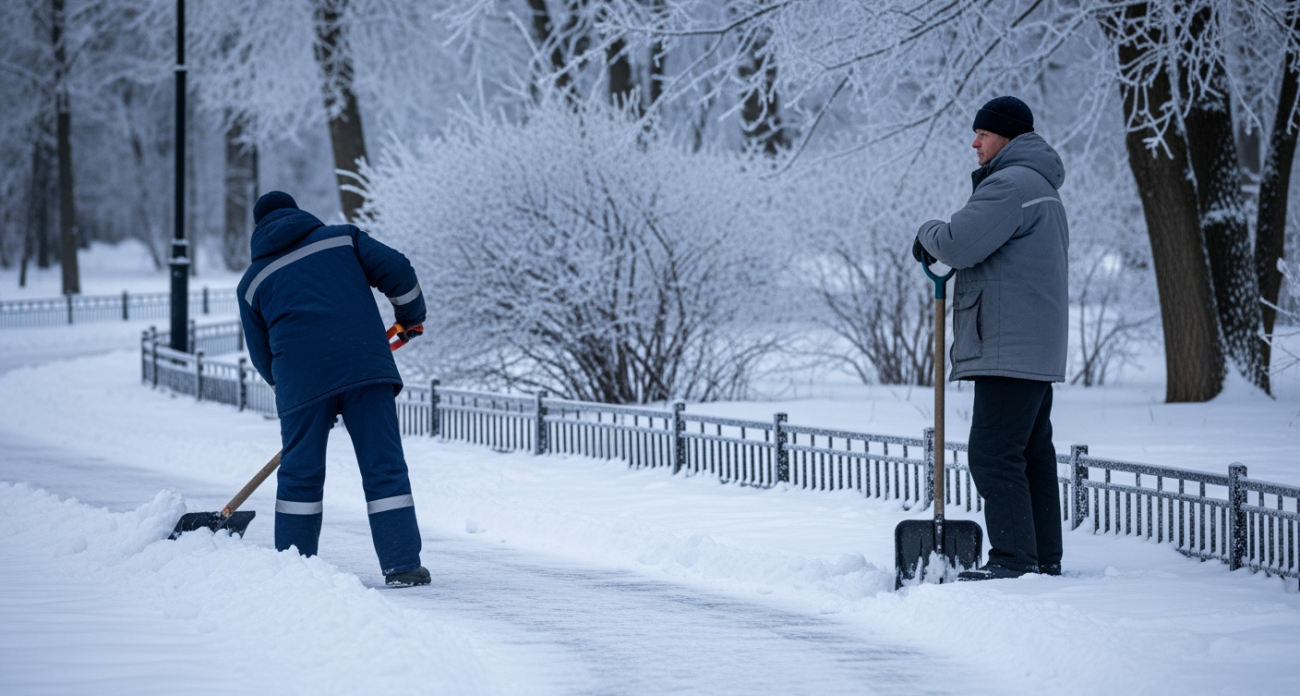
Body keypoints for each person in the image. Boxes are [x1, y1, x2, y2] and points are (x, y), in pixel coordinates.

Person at [237, 191, 431, 587]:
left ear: (258, 229)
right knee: (383, 466)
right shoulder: (343, 239)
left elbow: (261, 355)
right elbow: (399, 269)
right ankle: (402, 565)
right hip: (365, 367)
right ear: (297, 211)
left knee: (300, 477)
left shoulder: (251, 283)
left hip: (301, 385)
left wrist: (298, 397)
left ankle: (294, 567)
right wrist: (410, 316)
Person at [912, 96, 1069, 580]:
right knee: (1030, 455)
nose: (974, 142)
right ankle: (1041, 557)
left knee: (994, 455)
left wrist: (926, 231)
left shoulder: (1009, 184)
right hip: (1032, 345)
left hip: (1009, 345)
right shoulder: (1039, 185)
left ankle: (1013, 561)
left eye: (983, 134)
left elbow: (958, 243)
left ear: (1009, 137)